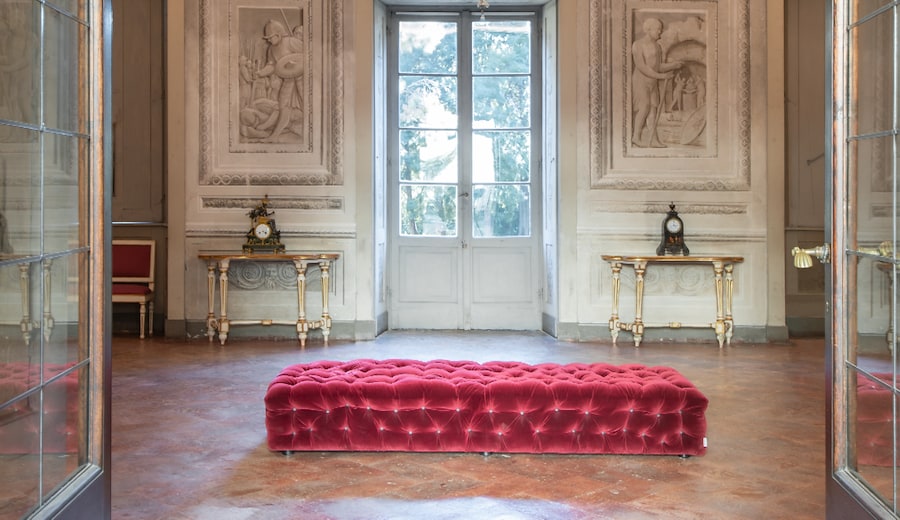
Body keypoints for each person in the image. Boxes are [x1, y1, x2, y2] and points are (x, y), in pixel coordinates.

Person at [631, 18, 682, 147]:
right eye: (658, 29)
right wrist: (661, 76)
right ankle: (636, 137)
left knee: (653, 110)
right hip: (641, 81)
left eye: (661, 29)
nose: (660, 31)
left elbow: (658, 66)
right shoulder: (638, 45)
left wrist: (673, 65)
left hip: (652, 82)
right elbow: (642, 66)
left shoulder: (657, 46)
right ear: (648, 30)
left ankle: (653, 139)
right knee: (644, 107)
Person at [255, 20, 305, 142]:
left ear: (278, 35)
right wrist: (260, 73)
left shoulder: (291, 42)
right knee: (283, 107)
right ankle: (274, 136)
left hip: (302, 80)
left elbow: (310, 55)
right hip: (288, 81)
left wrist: (296, 62)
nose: (268, 40)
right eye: (267, 38)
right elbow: (272, 66)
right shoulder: (271, 49)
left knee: (306, 103)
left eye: (270, 37)